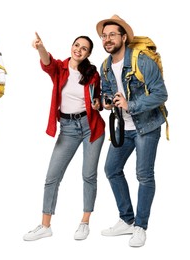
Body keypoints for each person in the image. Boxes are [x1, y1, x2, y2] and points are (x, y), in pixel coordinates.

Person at [23, 32, 105, 241]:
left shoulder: (92, 73)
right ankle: (45, 226)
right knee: (52, 177)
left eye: (84, 48)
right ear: (72, 46)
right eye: (76, 45)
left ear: (88, 54)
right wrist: (40, 47)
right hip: (68, 128)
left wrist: (98, 104)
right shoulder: (60, 68)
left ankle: (85, 222)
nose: (78, 49)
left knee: (88, 175)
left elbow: (98, 101)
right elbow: (47, 62)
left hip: (91, 127)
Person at [96, 15, 168, 247]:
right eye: (104, 36)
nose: (107, 39)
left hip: (146, 127)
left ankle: (140, 226)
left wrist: (131, 105)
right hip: (123, 127)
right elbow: (107, 91)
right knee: (111, 169)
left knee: (144, 175)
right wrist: (106, 102)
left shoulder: (143, 60)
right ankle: (127, 220)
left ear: (124, 37)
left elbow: (160, 94)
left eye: (112, 35)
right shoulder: (105, 66)